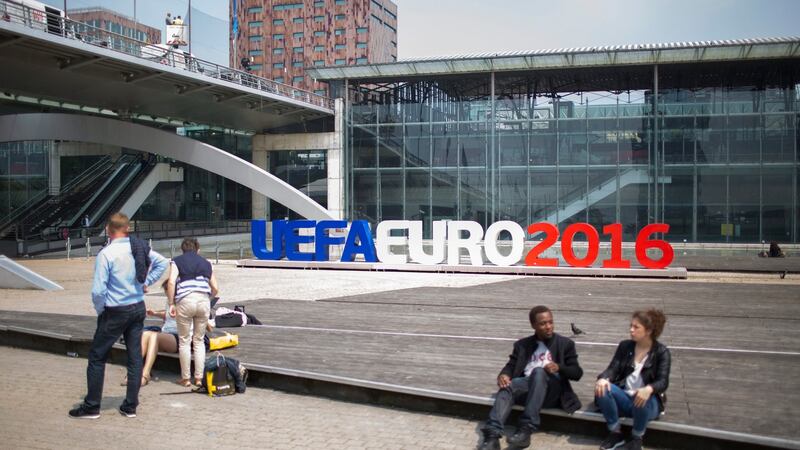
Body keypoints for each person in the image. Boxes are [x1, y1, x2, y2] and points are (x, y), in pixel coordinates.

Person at [69, 212, 168, 419]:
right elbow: (162, 262)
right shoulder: (138, 247)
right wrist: (146, 282)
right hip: (137, 307)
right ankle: (130, 406)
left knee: (97, 356)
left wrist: (101, 310)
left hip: (115, 310)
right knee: (134, 357)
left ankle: (92, 406)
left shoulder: (106, 254)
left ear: (108, 229)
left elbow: (98, 291)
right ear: (127, 228)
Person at [479, 306, 583, 450]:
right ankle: (492, 436)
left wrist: (559, 367)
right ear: (533, 325)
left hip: (551, 392)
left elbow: (577, 373)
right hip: (528, 390)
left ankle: (526, 429)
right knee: (508, 385)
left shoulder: (565, 344)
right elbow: (511, 365)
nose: (548, 327)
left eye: (550, 322)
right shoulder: (522, 345)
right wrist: (504, 375)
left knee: (539, 372)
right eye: (543, 323)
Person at [595, 309, 671, 450]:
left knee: (640, 394)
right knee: (602, 387)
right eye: (631, 326)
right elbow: (613, 368)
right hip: (626, 397)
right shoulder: (625, 346)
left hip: (649, 404)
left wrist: (648, 389)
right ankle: (615, 433)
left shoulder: (661, 352)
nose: (631, 330)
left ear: (648, 331)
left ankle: (636, 438)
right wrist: (604, 378)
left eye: (636, 327)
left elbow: (663, 381)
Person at [167, 238, 219, 387]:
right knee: (199, 340)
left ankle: (186, 378)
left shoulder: (177, 261)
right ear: (198, 250)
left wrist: (171, 303)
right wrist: (208, 298)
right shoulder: (206, 263)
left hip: (185, 300)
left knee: (184, 340)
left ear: (182, 250)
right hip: (203, 301)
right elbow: (215, 288)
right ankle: (198, 377)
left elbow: (171, 282)